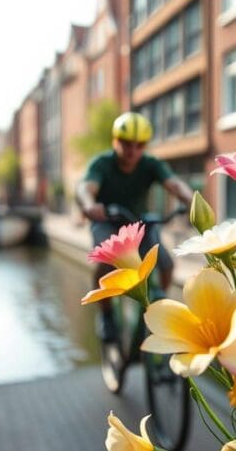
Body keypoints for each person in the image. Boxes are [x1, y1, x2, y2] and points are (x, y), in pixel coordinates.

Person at [76, 111, 194, 341]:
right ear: (115, 141)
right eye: (126, 144)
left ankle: (157, 305)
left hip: (138, 223)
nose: (132, 150)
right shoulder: (102, 164)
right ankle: (106, 315)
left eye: (139, 145)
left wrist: (192, 201)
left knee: (166, 265)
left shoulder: (150, 164)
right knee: (105, 262)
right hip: (107, 221)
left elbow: (175, 185)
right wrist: (90, 205)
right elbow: (85, 188)